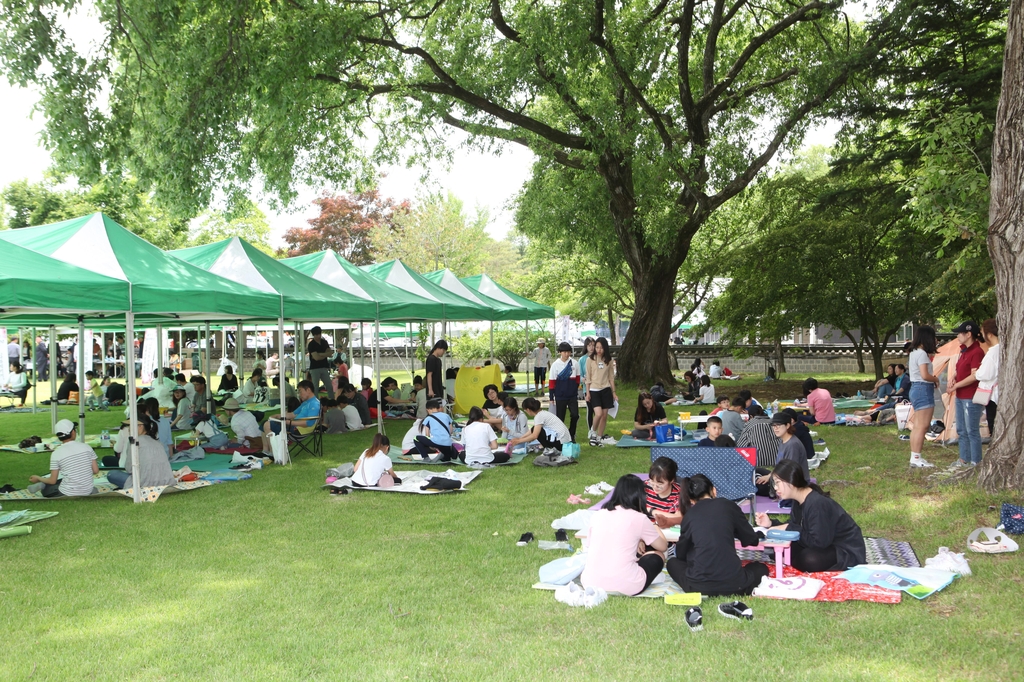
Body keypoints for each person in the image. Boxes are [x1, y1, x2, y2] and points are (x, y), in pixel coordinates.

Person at [667, 474, 769, 596]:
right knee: (760, 567)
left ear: (691, 499)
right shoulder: (729, 506)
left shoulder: (689, 516)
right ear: (714, 490)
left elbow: (681, 554)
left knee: (672, 563)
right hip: (736, 585)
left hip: (697, 586)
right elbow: (751, 539)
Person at [756, 459, 867, 572]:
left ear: (790, 480)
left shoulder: (817, 503)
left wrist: (789, 528)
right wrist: (770, 523)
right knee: (776, 547)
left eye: (777, 483)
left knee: (809, 559)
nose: (775, 488)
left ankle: (788, 560)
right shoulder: (798, 500)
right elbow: (796, 526)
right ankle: (789, 559)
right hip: (820, 543)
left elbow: (819, 543)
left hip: (843, 549)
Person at [581, 474, 669, 596]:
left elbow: (591, 545)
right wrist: (655, 526)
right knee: (658, 555)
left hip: (590, 582)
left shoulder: (597, 515)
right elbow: (663, 546)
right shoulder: (640, 518)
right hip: (627, 585)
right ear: (640, 496)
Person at [27, 420, 98, 498]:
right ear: (73, 432)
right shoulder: (87, 447)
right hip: (87, 490)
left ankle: (42, 485)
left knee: (49, 488)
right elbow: (95, 470)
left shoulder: (56, 453)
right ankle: (42, 484)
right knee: (65, 477)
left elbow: (52, 480)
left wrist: (38, 478)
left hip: (67, 493)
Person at [948, 320, 985, 468]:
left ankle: (976, 462)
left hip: (972, 396)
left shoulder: (977, 352)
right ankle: (964, 459)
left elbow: (974, 375)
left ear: (968, 334)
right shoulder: (964, 351)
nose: (957, 336)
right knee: (961, 430)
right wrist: (953, 377)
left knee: (972, 430)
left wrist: (956, 385)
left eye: (959, 333)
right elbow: (960, 369)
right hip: (960, 395)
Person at [107, 415, 176, 490]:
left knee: (112, 474)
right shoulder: (157, 442)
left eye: (130, 425)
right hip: (164, 481)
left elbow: (129, 468)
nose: (129, 429)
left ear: (140, 426)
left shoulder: (134, 442)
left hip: (143, 482)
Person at [907, 325, 941, 468]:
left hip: (916, 388)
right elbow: (925, 375)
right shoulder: (922, 354)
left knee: (917, 426)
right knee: (922, 426)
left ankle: (915, 457)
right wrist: (935, 379)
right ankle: (916, 458)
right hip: (923, 388)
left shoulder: (913, 352)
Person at [755, 412, 809, 495]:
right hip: (781, 476)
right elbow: (781, 466)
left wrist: (772, 479)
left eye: (778, 425)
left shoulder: (792, 445)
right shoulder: (782, 440)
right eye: (773, 426)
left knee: (756, 485)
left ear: (787, 426)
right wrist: (770, 476)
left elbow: (790, 472)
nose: (775, 428)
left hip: (792, 484)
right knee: (755, 471)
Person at [585, 337, 618, 447]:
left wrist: (614, 392)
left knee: (604, 415)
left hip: (606, 389)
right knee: (598, 413)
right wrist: (588, 393)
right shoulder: (590, 360)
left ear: (605, 348)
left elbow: (611, 378)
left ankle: (599, 437)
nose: (598, 350)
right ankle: (593, 432)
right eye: (597, 347)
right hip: (594, 390)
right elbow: (588, 378)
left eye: (601, 348)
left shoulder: (609, 360)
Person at [973, 318, 1000, 441]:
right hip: (996, 391)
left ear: (989, 334)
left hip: (992, 394)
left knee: (992, 422)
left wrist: (977, 372)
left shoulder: (993, 352)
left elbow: (985, 374)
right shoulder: (1002, 350)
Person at [548, 342, 580, 442]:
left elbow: (577, 379)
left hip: (572, 395)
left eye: (568, 352)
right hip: (560, 395)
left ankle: (572, 433)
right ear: (560, 352)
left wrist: (575, 389)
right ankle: (561, 437)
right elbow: (552, 381)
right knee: (560, 418)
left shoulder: (574, 363)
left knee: (575, 415)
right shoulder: (555, 365)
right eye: (564, 352)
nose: (566, 354)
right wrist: (551, 397)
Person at [737, 405, 779, 469]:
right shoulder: (773, 422)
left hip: (759, 463)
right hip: (777, 461)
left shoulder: (750, 424)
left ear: (751, 416)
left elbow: (740, 445)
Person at [646, 457, 682, 528]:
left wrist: (652, 511)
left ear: (671, 480)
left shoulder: (679, 493)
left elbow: (679, 517)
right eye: (652, 481)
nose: (655, 486)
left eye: (660, 484)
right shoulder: (645, 487)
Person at [306, 326, 334, 400]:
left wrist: (320, 354)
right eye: (316, 335)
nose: (318, 336)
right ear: (313, 335)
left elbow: (330, 353)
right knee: (315, 387)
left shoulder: (324, 342)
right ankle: (315, 402)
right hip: (314, 368)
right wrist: (325, 354)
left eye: (319, 334)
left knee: (329, 386)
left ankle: (331, 400)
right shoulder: (311, 344)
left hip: (324, 367)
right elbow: (316, 358)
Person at [578, 337, 597, 442]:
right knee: (590, 410)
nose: (591, 347)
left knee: (598, 411)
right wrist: (585, 380)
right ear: (586, 346)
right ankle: (590, 430)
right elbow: (579, 375)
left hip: (598, 387)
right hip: (587, 388)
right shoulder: (582, 360)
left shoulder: (598, 358)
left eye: (593, 345)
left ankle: (596, 430)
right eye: (589, 345)